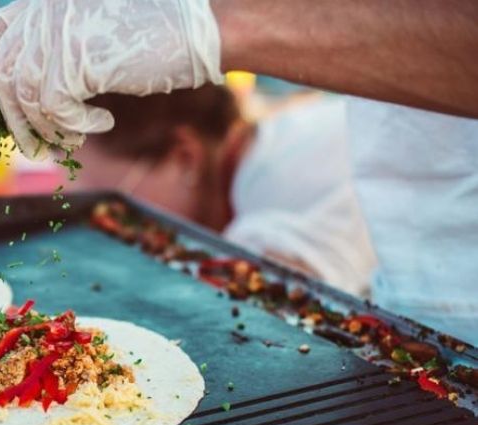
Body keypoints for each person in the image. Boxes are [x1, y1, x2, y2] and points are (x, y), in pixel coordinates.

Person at [0, 0, 478, 344]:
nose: (109, 219)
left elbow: (304, 262)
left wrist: (212, 25)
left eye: (113, 198)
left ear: (186, 157)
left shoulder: (290, 172)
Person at [77, 88, 376, 295]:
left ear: (186, 158)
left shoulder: (284, 193)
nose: (109, 225)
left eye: (112, 203)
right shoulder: (275, 144)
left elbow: (289, 290)